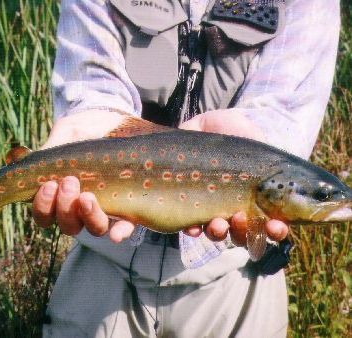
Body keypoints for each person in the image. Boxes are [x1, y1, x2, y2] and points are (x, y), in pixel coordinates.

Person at [38, 0, 340, 336]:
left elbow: (283, 114)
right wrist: (95, 120)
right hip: (105, 262)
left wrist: (258, 133)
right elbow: (91, 84)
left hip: (237, 272)